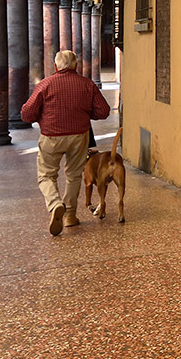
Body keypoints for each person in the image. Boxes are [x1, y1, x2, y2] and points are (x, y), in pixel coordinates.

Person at [21, 49, 111, 235]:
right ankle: (70, 216)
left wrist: (43, 116)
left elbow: (26, 114)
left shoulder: (45, 85)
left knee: (46, 175)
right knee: (74, 175)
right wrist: (86, 113)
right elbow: (103, 111)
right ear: (76, 65)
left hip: (51, 136)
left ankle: (55, 204)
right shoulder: (87, 85)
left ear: (55, 66)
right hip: (79, 136)